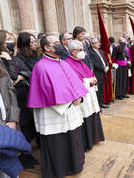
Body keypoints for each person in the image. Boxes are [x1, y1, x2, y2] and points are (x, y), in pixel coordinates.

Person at [27, 34, 88, 178]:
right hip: (55, 112)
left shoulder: (62, 62)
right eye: (55, 43)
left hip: (70, 109)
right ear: (47, 48)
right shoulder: (40, 67)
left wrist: (78, 97)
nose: (60, 45)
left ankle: (75, 164)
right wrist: (70, 102)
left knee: (72, 138)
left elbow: (74, 83)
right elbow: (47, 92)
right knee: (59, 143)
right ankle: (61, 169)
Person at [65, 40, 105, 151]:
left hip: (90, 93)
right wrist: (88, 80)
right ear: (73, 52)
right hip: (82, 96)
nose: (83, 52)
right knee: (85, 118)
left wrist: (93, 78)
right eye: (81, 50)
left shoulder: (80, 61)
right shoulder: (68, 63)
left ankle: (94, 138)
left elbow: (89, 72)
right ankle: (88, 142)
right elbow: (73, 81)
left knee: (92, 114)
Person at [16, 32, 40, 168]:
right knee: (25, 127)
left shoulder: (35, 56)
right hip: (24, 96)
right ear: (25, 44)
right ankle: (25, 157)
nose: (35, 44)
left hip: (35, 95)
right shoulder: (18, 59)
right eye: (32, 42)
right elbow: (27, 75)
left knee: (34, 125)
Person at [89, 38, 109, 108]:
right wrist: (103, 68)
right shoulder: (90, 52)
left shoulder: (100, 51)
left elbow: (105, 60)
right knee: (97, 90)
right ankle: (97, 106)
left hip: (103, 73)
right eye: (97, 42)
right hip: (97, 73)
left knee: (101, 89)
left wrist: (107, 66)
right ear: (92, 44)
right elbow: (95, 63)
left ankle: (101, 103)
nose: (98, 43)